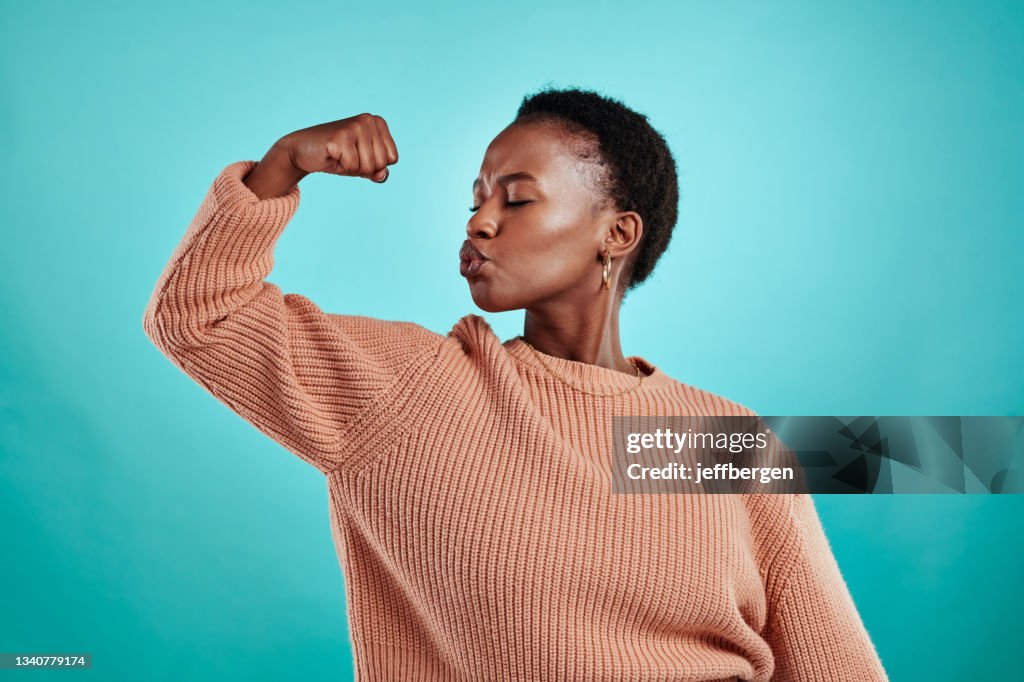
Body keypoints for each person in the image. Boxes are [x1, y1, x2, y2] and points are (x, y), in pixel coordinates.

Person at [142, 86, 888, 681]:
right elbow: (200, 315)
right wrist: (282, 167)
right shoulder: (415, 392)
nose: (479, 224)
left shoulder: (719, 442)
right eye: (476, 200)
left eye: (516, 198)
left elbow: (834, 666)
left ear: (617, 234)